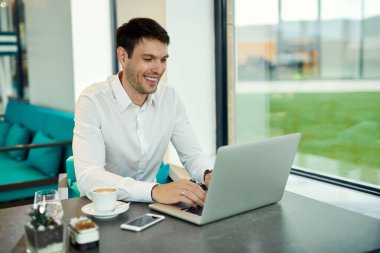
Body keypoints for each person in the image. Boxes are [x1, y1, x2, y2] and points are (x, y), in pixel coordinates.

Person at [73, 17, 212, 207]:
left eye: (163, 60)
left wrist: (208, 174)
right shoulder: (92, 101)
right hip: (104, 209)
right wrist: (155, 190)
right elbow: (89, 176)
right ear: (123, 57)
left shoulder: (170, 97)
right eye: (148, 59)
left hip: (150, 208)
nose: (159, 69)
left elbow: (192, 155)